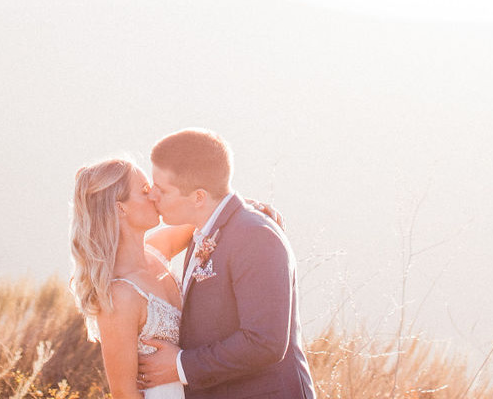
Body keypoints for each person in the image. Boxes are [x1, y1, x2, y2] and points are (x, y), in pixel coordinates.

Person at [137, 128, 316, 399]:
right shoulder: (204, 231)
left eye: (162, 190)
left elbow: (264, 342)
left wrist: (180, 366)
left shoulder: (255, 236)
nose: (152, 196)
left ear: (198, 197)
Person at [70, 156, 192, 399]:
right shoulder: (120, 296)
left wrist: (250, 211)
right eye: (145, 190)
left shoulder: (159, 250)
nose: (155, 196)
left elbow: (207, 219)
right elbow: (124, 393)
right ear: (120, 207)